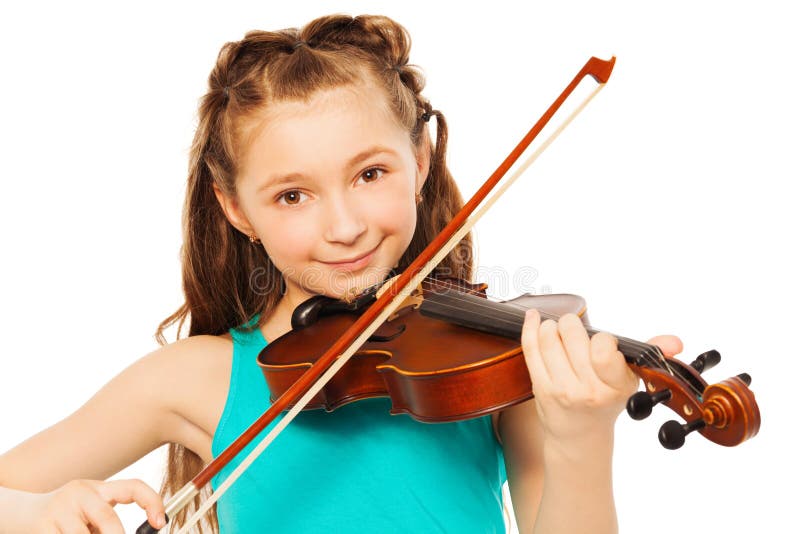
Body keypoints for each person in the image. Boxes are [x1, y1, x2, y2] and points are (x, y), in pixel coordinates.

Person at [0, 13, 681, 534]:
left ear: (419, 160)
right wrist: (39, 513)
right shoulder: (193, 377)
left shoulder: (508, 361)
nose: (345, 226)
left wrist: (581, 437)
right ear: (235, 205)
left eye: (370, 173)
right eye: (293, 195)